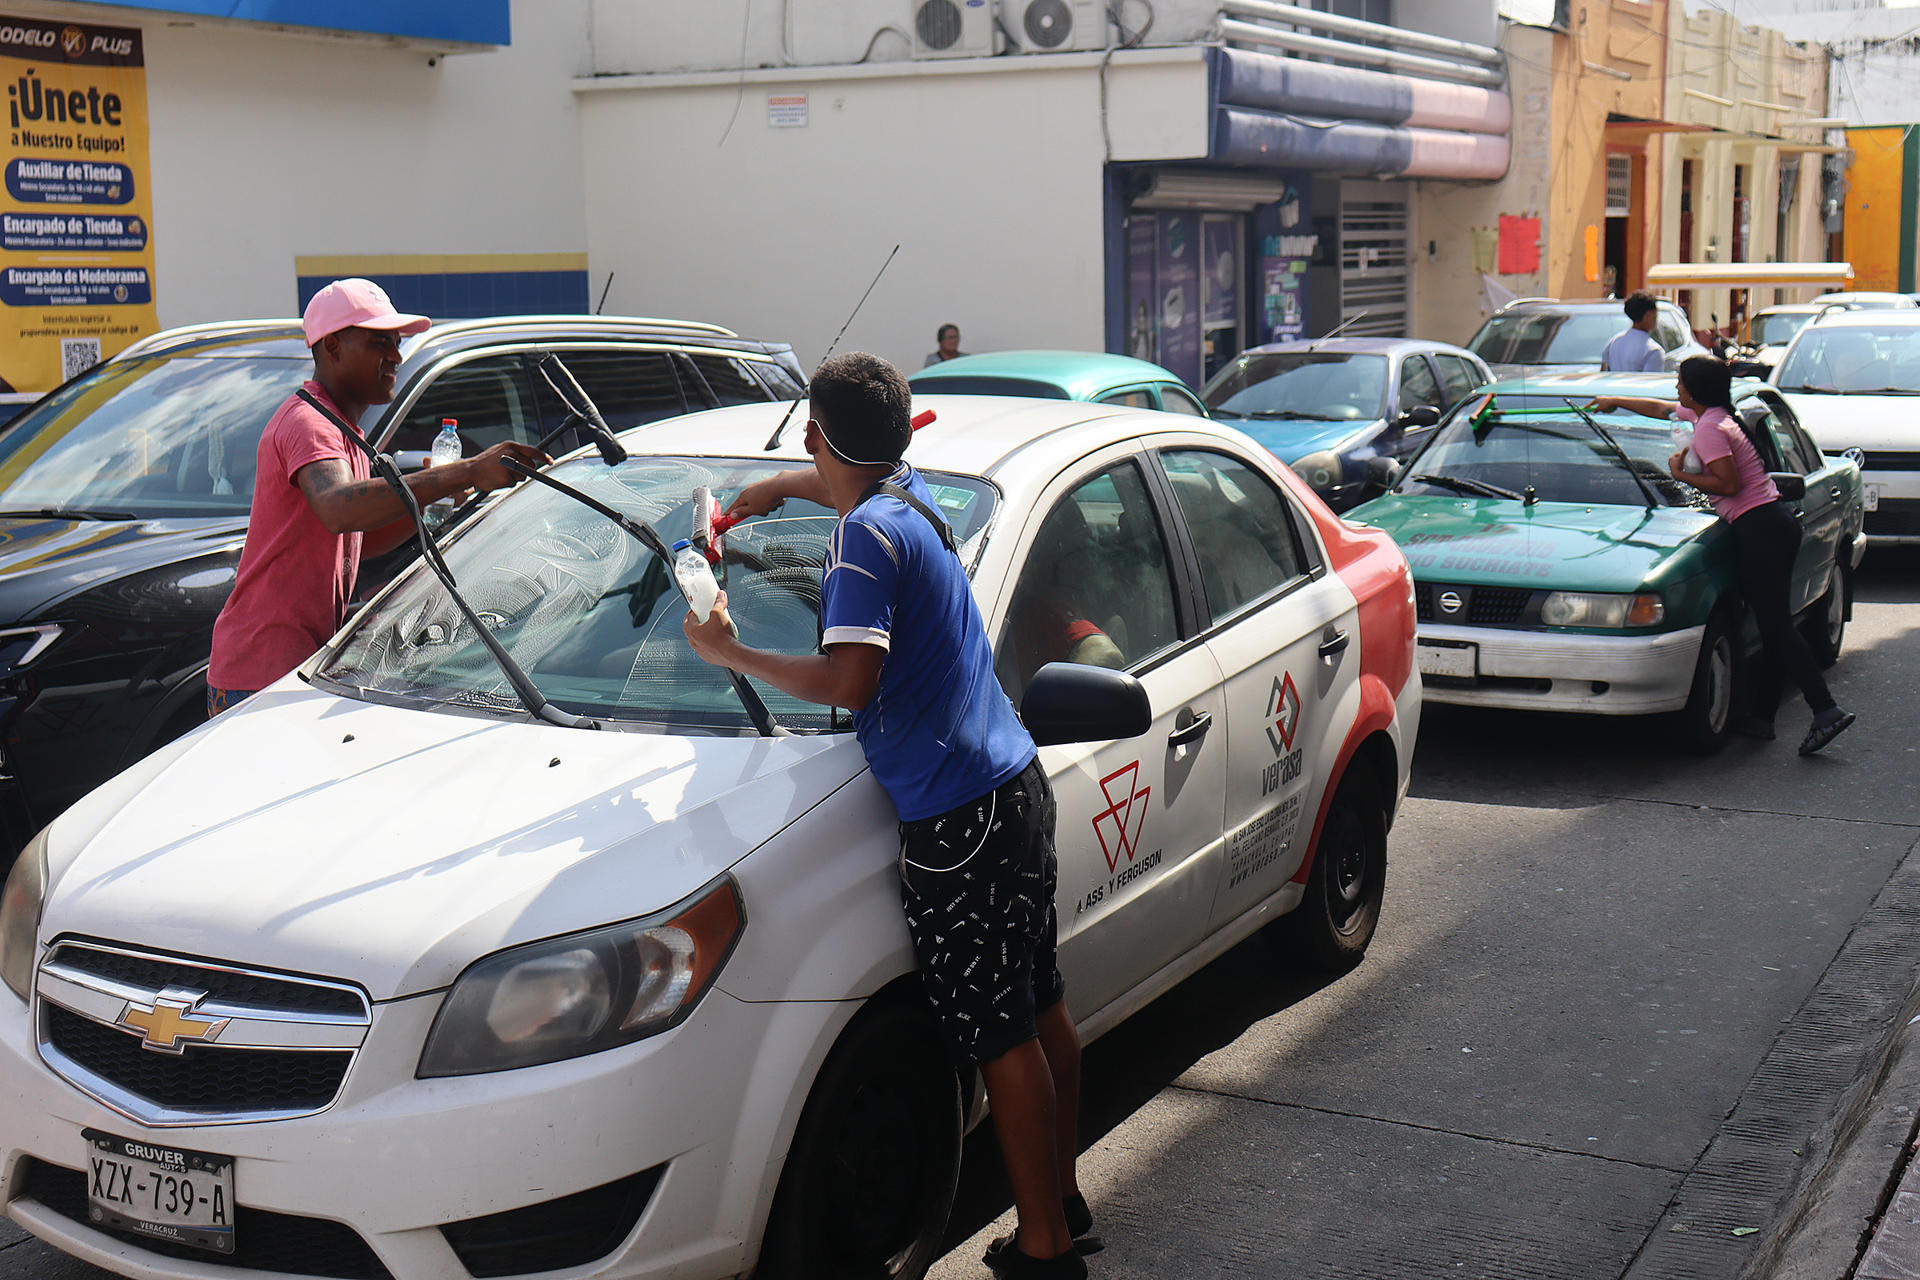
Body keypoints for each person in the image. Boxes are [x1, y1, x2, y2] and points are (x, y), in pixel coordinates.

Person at [683, 353, 1093, 1278]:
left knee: (1001, 1035)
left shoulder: (860, 541)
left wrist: (729, 650)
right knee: (1041, 1004)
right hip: (1013, 788)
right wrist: (761, 495)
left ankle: (1044, 1246)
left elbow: (848, 681)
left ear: (819, 437)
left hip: (957, 819)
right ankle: (1063, 1197)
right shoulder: (910, 498)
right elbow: (845, 480)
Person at [206, 278, 549, 714]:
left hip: (287, 667)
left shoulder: (340, 429)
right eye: (379, 343)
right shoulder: (308, 424)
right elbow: (338, 508)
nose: (395, 357)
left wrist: (424, 501)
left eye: (397, 343)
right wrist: (463, 472)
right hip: (259, 674)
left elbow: (358, 541)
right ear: (331, 347)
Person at [1593, 357, 1855, 755]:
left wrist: (1680, 476)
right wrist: (1615, 401)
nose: (1676, 388)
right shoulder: (1713, 415)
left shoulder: (1711, 430)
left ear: (1695, 388)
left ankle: (1825, 710)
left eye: (1680, 382)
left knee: (1777, 626)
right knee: (1772, 625)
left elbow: (1728, 484)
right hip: (1771, 523)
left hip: (1759, 527)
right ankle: (1764, 718)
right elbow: (1664, 410)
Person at [1601, 291, 1666, 373]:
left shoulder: (1614, 341)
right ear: (1649, 314)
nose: (1656, 318)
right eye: (1655, 314)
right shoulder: (1653, 350)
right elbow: (1650, 383)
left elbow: (1603, 371)